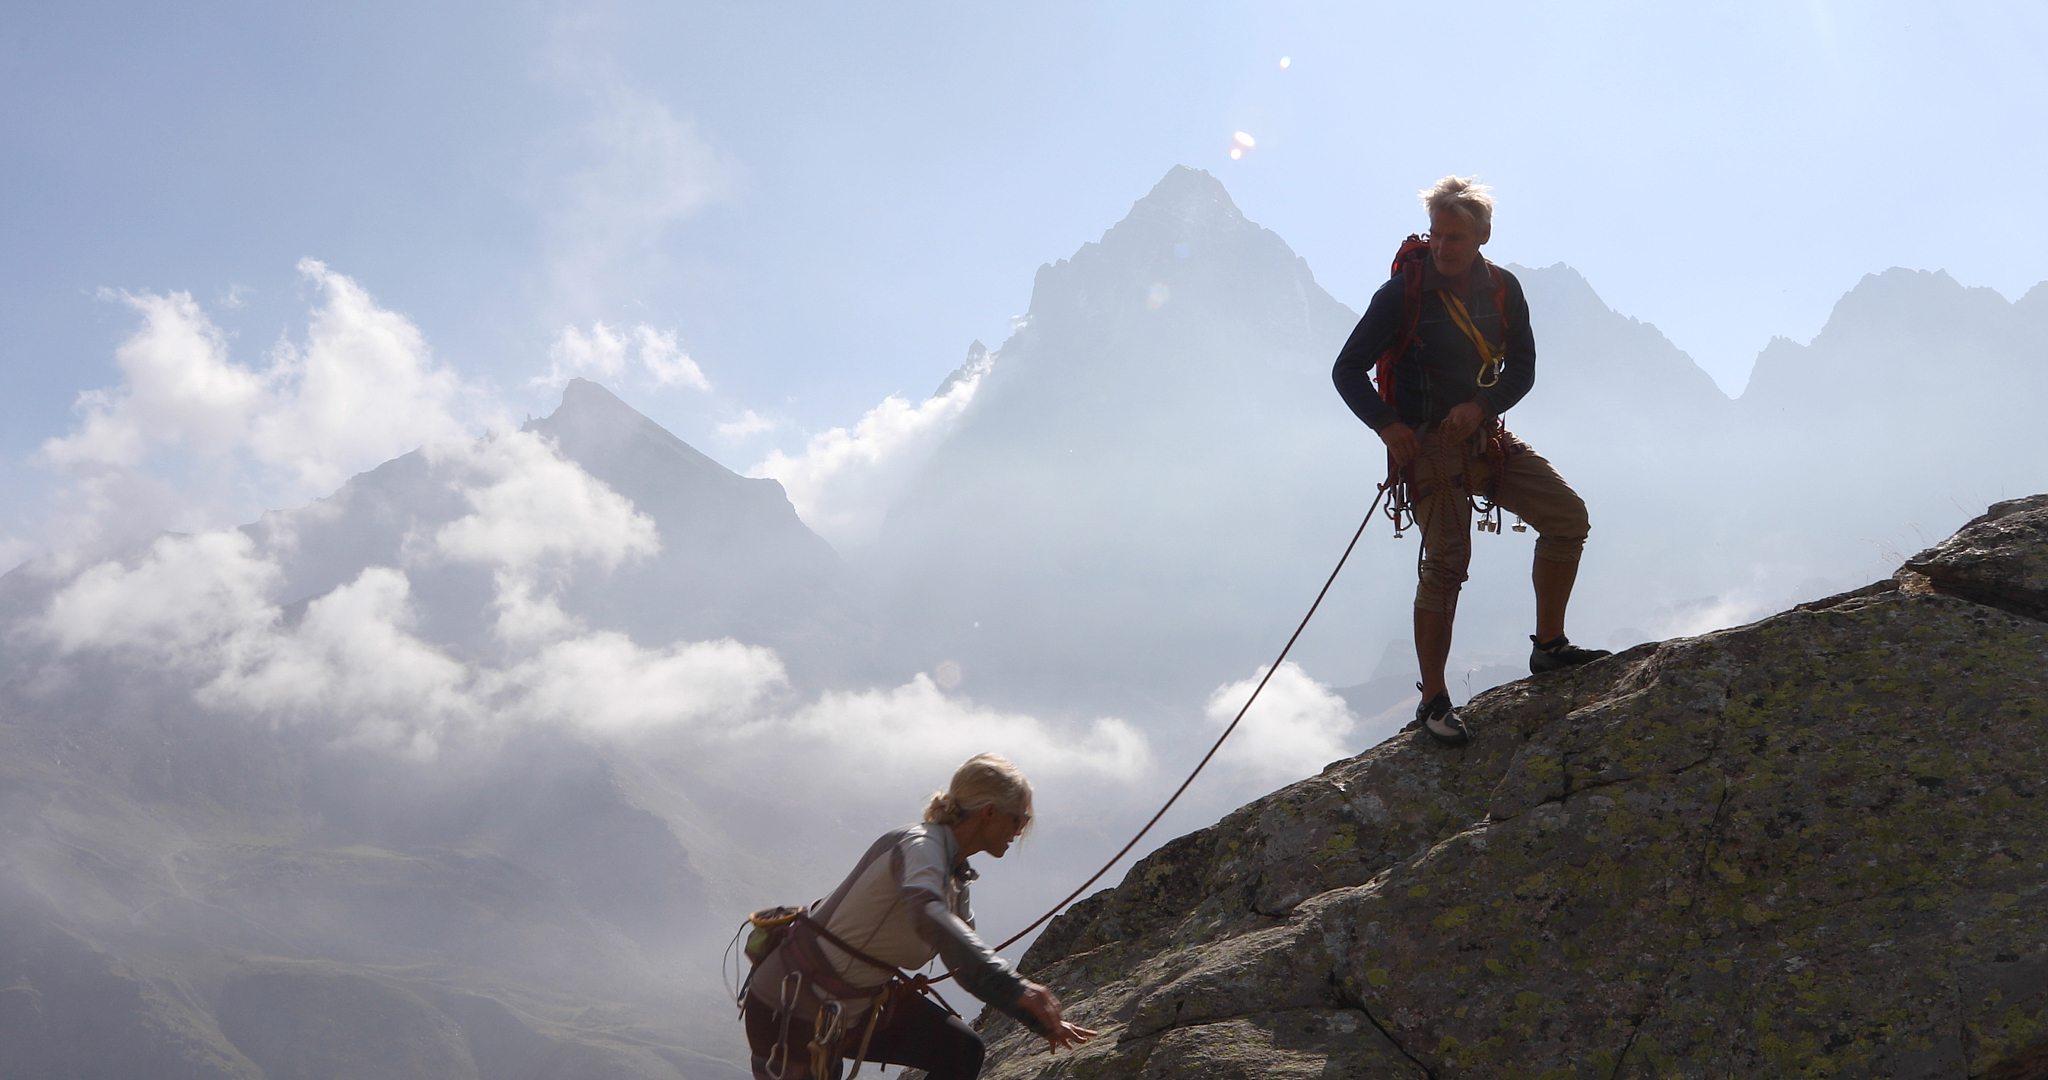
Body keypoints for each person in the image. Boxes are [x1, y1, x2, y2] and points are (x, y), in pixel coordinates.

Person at [1332, 176, 1610, 746]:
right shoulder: (1401, 296)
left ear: (1483, 235)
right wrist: (1390, 427)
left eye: (1454, 236)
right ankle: (1433, 700)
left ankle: (1550, 648)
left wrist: (1482, 404)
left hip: (1482, 439)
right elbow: (1347, 369)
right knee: (1448, 560)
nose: (1442, 246)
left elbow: (1523, 368)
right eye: (1436, 235)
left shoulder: (1503, 290)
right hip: (1429, 447)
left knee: (1566, 518)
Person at [742, 753, 1094, 1080]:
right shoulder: (920, 846)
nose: (1020, 830)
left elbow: (966, 965)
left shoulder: (955, 873)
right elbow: (930, 916)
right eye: (1018, 819)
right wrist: (1020, 990)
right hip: (790, 1012)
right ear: (988, 813)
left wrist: (1038, 1021)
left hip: (845, 1009)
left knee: (960, 1050)